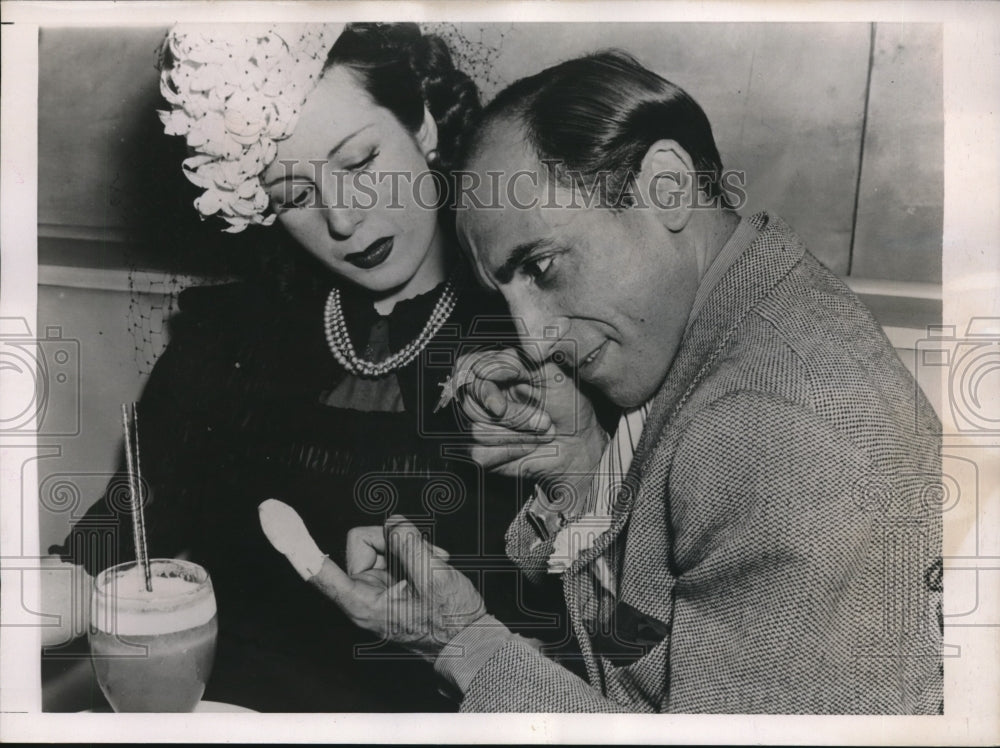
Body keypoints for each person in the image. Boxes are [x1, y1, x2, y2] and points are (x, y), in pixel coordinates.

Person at [274, 50, 944, 713]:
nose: (534, 339)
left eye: (540, 267)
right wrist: (585, 475)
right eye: (506, 294)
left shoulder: (769, 429)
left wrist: (464, 646)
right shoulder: (754, 311)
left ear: (667, 187)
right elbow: (655, 673)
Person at [44, 22, 571, 712]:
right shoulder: (227, 339)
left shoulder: (542, 335)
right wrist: (54, 592)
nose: (344, 219)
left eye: (358, 163)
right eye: (294, 195)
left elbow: (585, 635)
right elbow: (129, 526)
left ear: (424, 125)